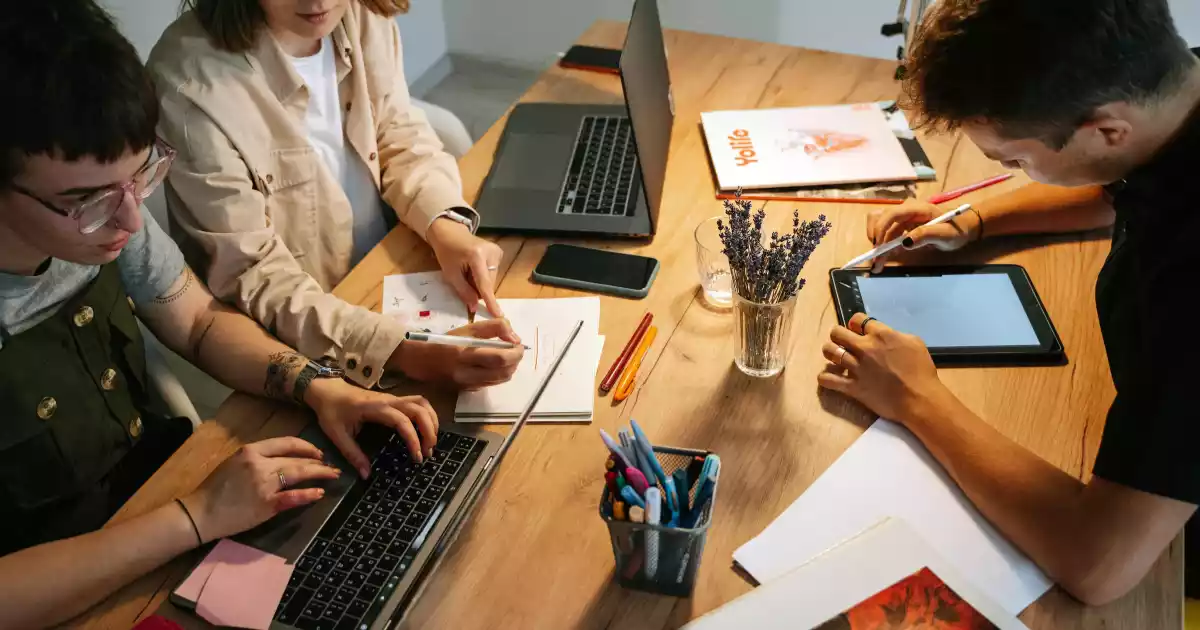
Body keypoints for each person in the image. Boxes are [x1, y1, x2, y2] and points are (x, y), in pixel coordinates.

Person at [0, 3, 448, 625]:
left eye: (140, 179)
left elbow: (199, 321)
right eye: (87, 202)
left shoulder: (103, 219)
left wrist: (318, 386)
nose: (131, 222)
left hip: (163, 505)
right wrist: (197, 515)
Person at [817, 0, 1200, 607]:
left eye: (1015, 160)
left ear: (1106, 129)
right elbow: (1119, 184)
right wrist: (972, 220)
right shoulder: (1172, 91)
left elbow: (1096, 563)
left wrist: (916, 395)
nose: (1011, 171)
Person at [149, 0, 522, 392]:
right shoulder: (189, 87)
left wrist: (444, 227)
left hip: (389, 274)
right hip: (303, 346)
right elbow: (254, 275)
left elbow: (397, 133)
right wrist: (398, 352)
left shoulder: (361, 13)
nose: (318, 2)